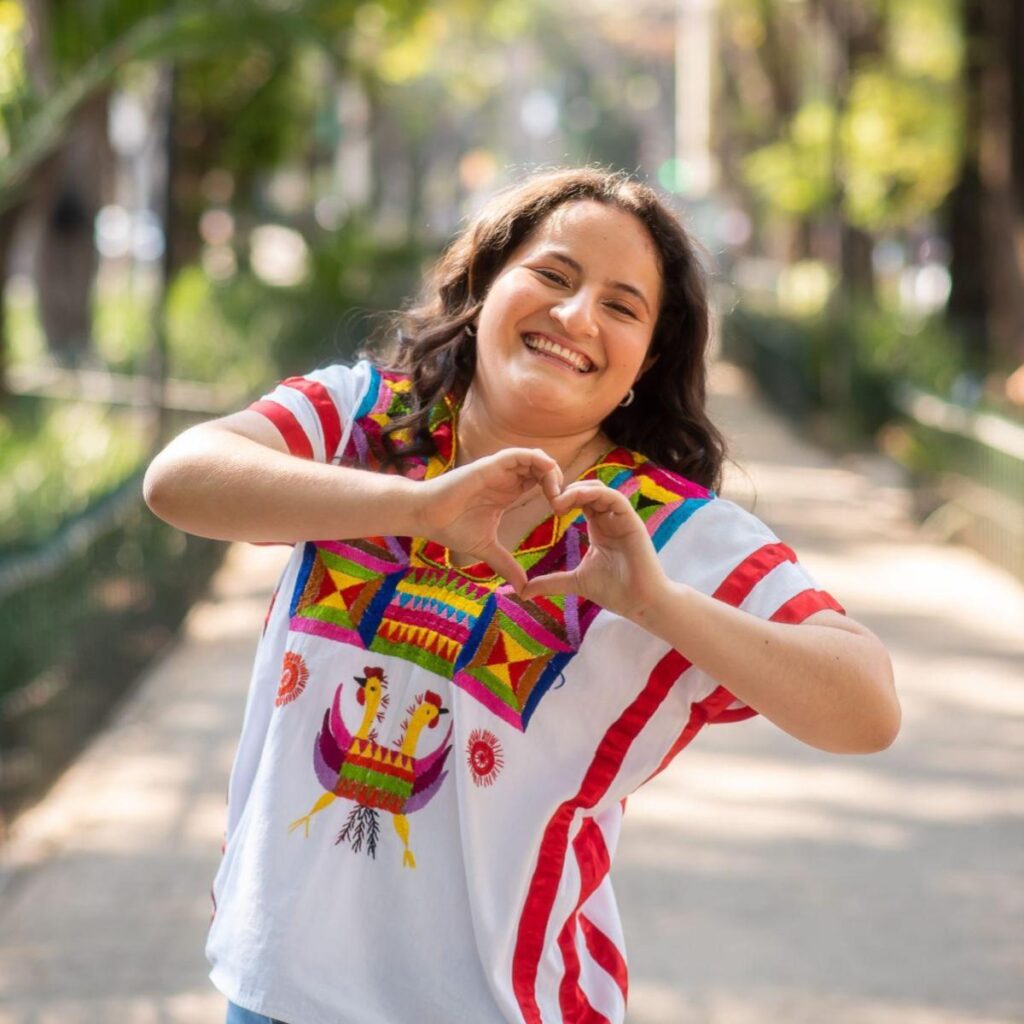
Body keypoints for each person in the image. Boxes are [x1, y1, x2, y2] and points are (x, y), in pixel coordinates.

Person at [143, 167, 899, 1024]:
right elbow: (179, 480)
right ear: (484, 285)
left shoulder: (666, 531)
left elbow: (868, 706)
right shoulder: (362, 419)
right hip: (273, 989)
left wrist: (657, 604)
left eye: (622, 307)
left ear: (647, 360)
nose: (576, 317)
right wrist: (418, 508)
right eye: (553, 274)